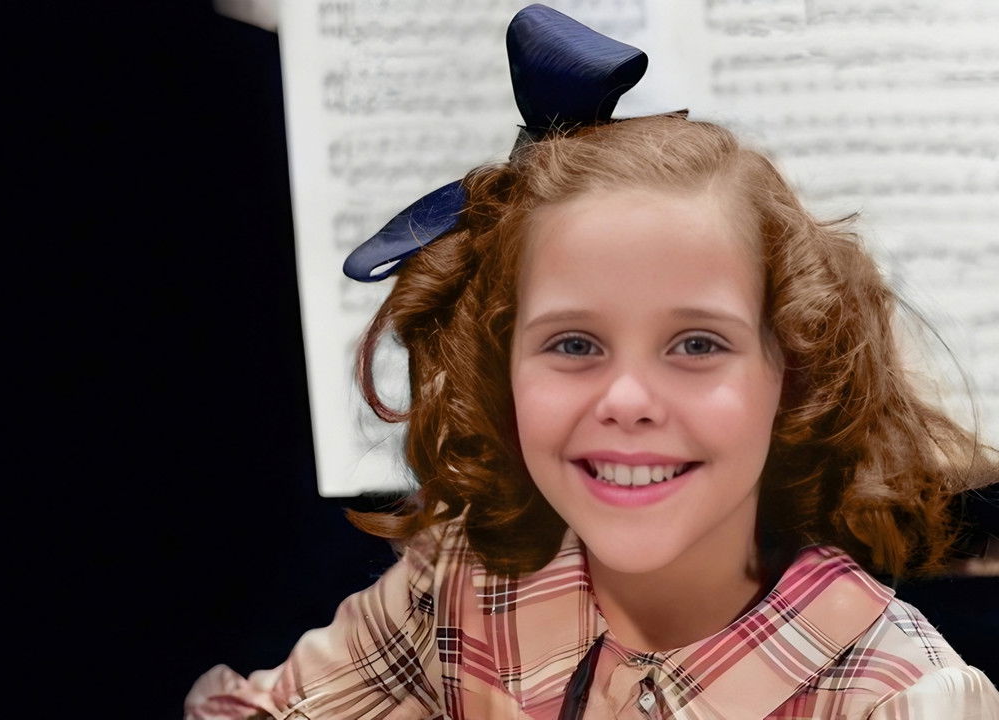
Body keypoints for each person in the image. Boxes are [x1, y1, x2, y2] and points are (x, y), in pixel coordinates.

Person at [185, 5, 999, 719]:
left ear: (794, 376)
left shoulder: (902, 700)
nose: (628, 399)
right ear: (500, 370)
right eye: (574, 344)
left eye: (698, 344)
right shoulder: (462, 580)